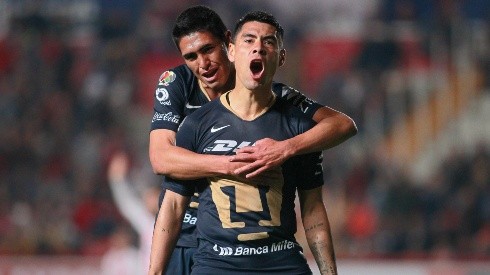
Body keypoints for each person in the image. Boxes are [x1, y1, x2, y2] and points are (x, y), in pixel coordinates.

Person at [148, 5, 354, 274]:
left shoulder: (280, 100)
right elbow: (160, 158)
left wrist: (286, 149)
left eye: (208, 49)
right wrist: (230, 165)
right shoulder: (178, 86)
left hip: (265, 252)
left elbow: (343, 124)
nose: (203, 63)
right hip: (187, 237)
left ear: (228, 44)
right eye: (191, 56)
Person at [107, 152, 160, 274]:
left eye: (152, 196)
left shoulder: (175, 217)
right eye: (147, 197)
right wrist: (117, 180)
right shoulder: (146, 220)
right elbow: (127, 203)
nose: (148, 200)